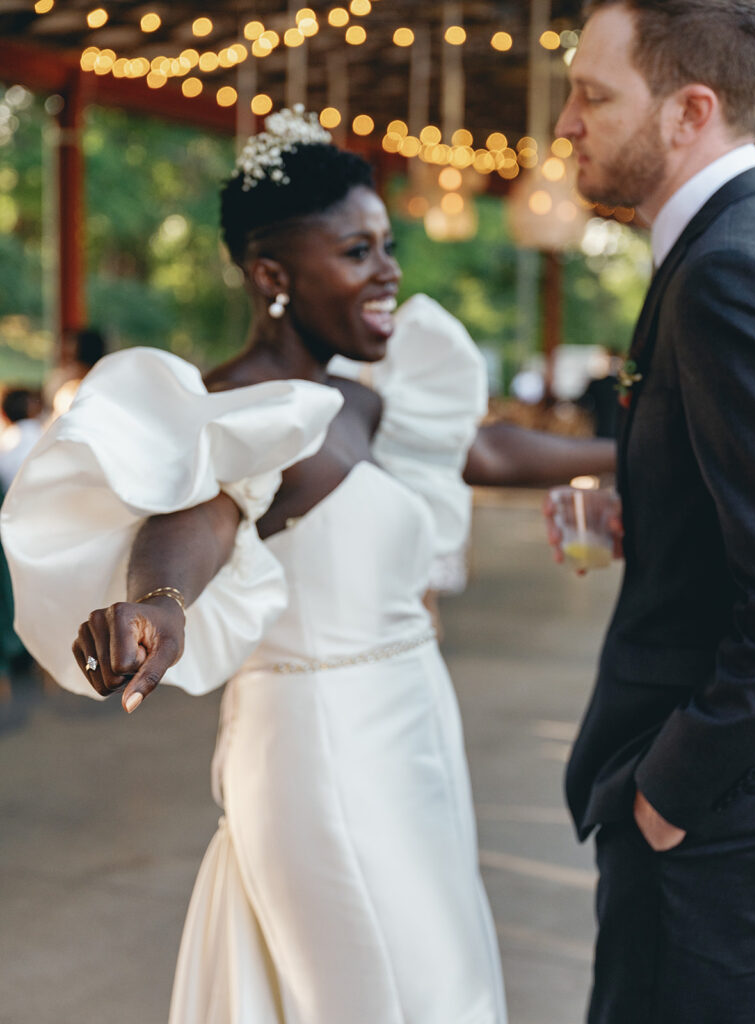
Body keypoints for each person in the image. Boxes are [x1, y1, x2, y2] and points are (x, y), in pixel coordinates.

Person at [2, 108, 615, 1024]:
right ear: (271, 276)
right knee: (388, 992)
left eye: (387, 245)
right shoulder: (237, 410)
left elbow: (480, 453)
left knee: (437, 975)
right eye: (358, 252)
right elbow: (199, 515)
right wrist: (160, 604)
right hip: (323, 746)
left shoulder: (355, 401)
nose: (389, 271)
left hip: (412, 728)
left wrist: (641, 449)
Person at [553, 2, 755, 1022]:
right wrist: (651, 502)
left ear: (691, 110)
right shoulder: (729, 239)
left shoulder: (727, 268)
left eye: (592, 95)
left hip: (712, 816)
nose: (563, 123)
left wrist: (670, 791)